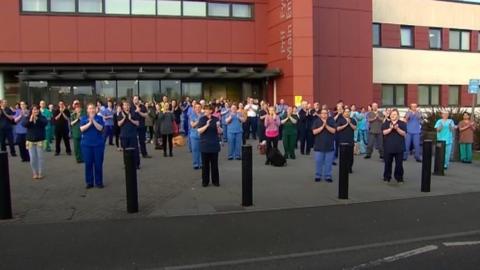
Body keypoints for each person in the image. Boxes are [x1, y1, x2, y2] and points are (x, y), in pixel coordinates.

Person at [80, 104, 105, 189]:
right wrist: (89, 123)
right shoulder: (83, 118)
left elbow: (100, 128)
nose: (91, 110)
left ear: (96, 109)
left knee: (98, 164)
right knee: (88, 164)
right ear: (87, 110)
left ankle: (99, 182)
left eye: (93, 108)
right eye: (90, 108)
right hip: (86, 145)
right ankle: (89, 182)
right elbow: (82, 129)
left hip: (98, 145)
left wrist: (93, 121)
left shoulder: (99, 118)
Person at [197, 105, 222, 187]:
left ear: (211, 111)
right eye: (205, 109)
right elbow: (199, 131)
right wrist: (207, 125)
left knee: (214, 165)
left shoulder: (216, 119)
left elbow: (220, 132)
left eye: (207, 109)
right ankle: (205, 181)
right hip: (204, 145)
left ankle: (215, 181)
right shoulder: (202, 119)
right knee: (205, 165)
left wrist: (218, 127)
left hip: (214, 144)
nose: (205, 111)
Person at [23, 105, 47, 179]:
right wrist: (30, 119)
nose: (35, 111)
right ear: (31, 111)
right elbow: (24, 125)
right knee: (33, 158)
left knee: (40, 157)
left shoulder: (42, 117)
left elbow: (44, 123)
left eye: (36, 109)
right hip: (30, 141)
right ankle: (34, 172)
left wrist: (37, 119)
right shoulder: (27, 117)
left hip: (40, 140)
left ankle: (40, 173)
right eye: (33, 110)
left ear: (38, 111)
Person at [382, 109, 407, 183]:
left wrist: (397, 128)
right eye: (392, 114)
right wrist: (390, 128)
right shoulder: (386, 123)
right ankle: (387, 177)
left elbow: (404, 133)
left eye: (395, 114)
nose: (393, 115)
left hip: (399, 147)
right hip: (388, 147)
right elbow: (384, 132)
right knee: (387, 164)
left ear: (398, 116)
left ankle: (399, 178)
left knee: (399, 164)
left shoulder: (402, 123)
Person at [312, 108, 337, 182]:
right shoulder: (316, 121)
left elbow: (333, 131)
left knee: (328, 163)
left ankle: (328, 176)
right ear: (320, 114)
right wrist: (322, 127)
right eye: (322, 113)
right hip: (319, 146)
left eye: (325, 113)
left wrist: (326, 126)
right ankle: (318, 175)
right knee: (318, 162)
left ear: (327, 114)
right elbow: (314, 132)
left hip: (329, 145)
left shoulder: (331, 120)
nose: (324, 115)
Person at [118, 102, 141, 170]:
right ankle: (127, 164)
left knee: (135, 150)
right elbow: (119, 124)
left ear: (130, 106)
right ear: (123, 106)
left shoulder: (134, 113)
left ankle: (136, 164)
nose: (127, 106)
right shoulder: (120, 113)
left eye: (128, 105)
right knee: (125, 151)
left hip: (132, 135)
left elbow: (137, 123)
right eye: (125, 105)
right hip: (124, 135)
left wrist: (131, 119)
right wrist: (124, 118)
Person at [336, 107, 357, 173]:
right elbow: (338, 128)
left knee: (350, 157)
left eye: (348, 112)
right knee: (343, 157)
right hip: (342, 141)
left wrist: (350, 123)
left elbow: (355, 128)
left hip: (350, 141)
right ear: (343, 113)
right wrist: (345, 124)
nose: (347, 113)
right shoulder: (340, 120)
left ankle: (349, 168)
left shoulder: (353, 120)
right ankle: (343, 169)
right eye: (346, 112)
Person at [189, 103, 203, 170]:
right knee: (195, 150)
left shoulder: (204, 115)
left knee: (202, 150)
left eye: (199, 107)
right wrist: (199, 120)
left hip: (202, 135)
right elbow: (192, 125)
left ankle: (201, 163)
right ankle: (196, 164)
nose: (197, 108)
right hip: (194, 135)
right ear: (194, 108)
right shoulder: (192, 115)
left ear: (201, 108)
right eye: (196, 107)